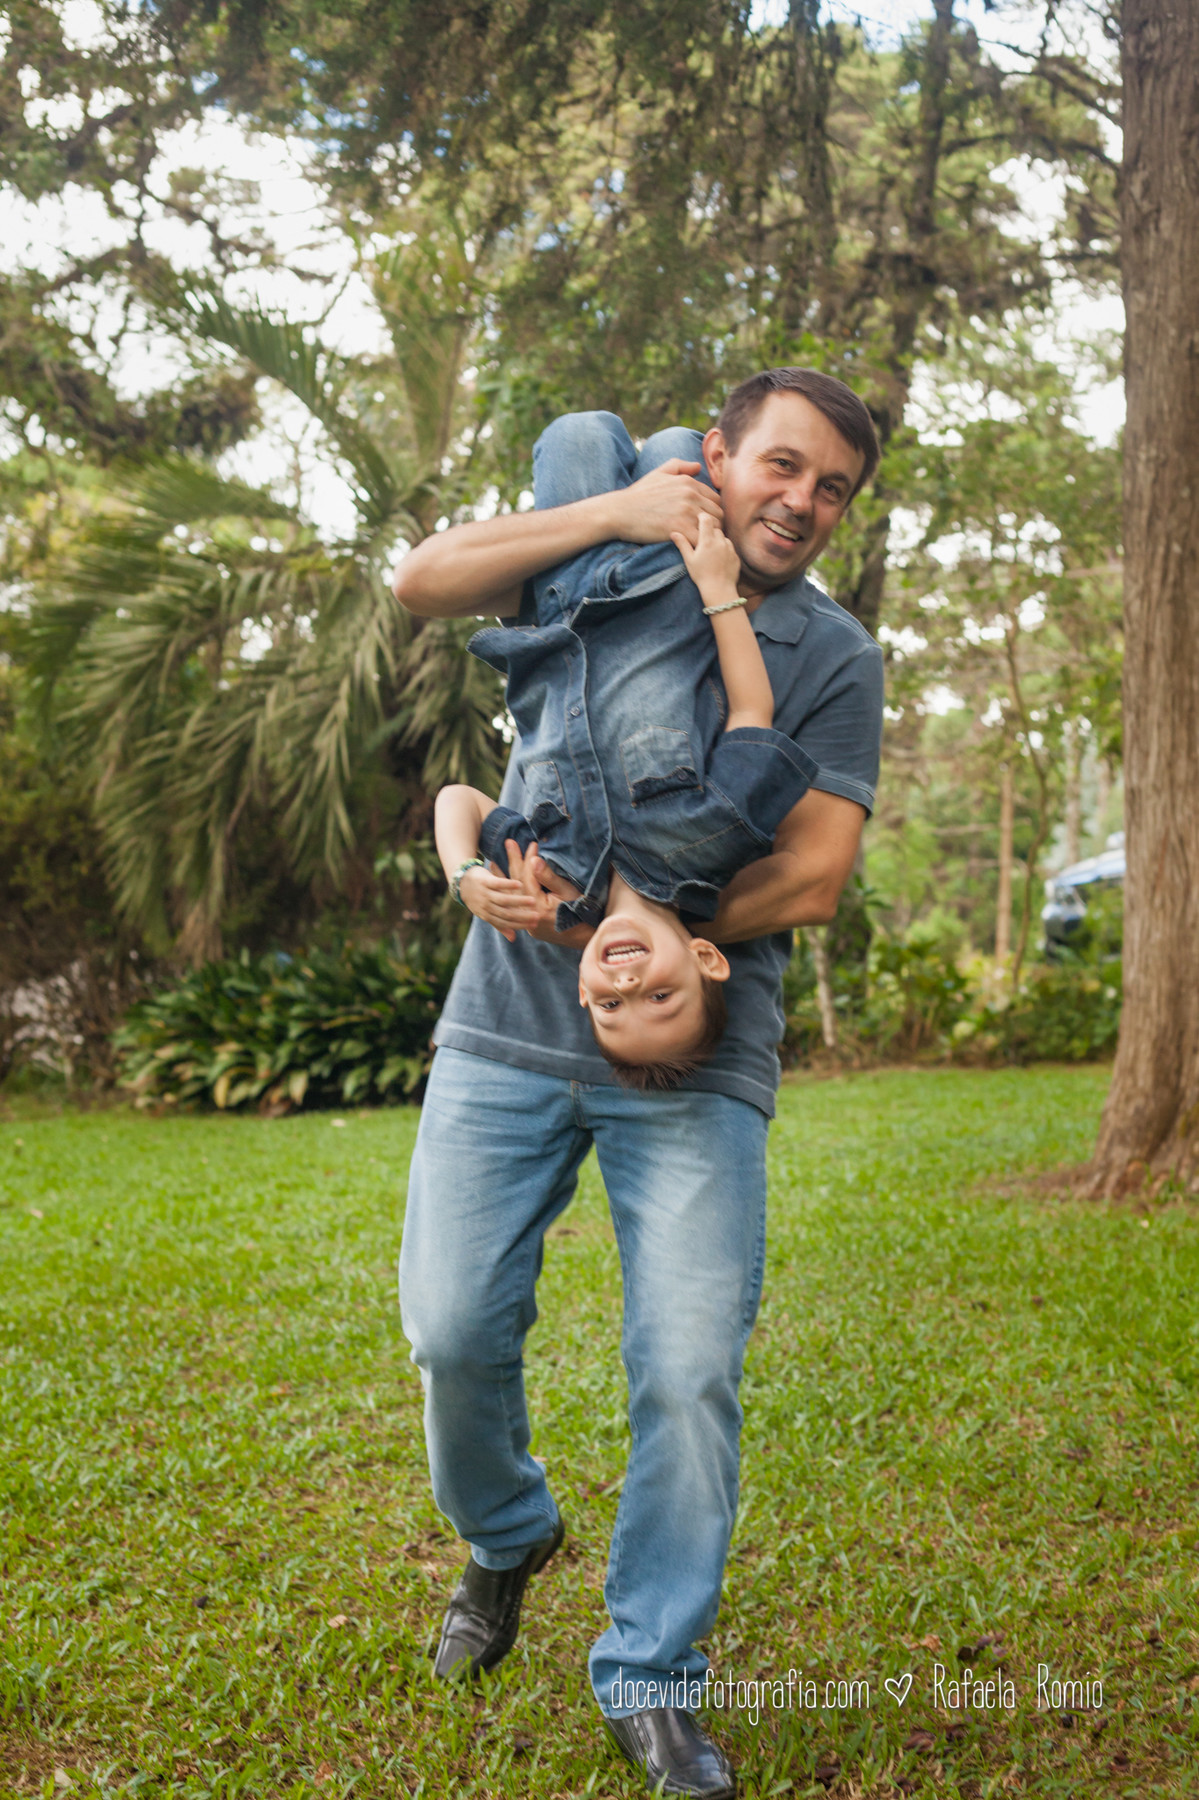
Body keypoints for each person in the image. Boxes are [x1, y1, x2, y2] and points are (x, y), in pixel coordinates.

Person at [395, 369, 884, 1800]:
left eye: (831, 489)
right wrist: (624, 508)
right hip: (501, 1025)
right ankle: (504, 1536)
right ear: (718, 456)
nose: (801, 502)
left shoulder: (825, 647)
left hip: (696, 1042)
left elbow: (813, 870)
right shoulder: (585, 567)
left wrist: (646, 933)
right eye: (781, 467)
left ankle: (651, 1678)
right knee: (448, 1326)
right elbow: (422, 581)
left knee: (683, 1368)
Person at [432, 506, 819, 1082]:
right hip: (665, 587)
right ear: (706, 959)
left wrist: (464, 874)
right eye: (662, 999)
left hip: (560, 598)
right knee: (675, 452)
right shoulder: (717, 839)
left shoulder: (551, 874)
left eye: (611, 1006)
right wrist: (718, 586)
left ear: (585, 993)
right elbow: (750, 711)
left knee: (577, 435)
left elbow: (457, 798)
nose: (628, 986)